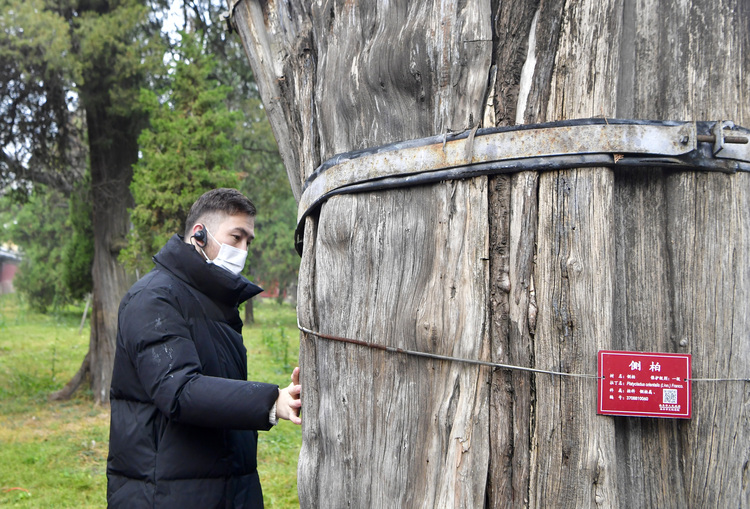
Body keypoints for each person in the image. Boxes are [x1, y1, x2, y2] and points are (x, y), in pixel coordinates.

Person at [106, 188, 301, 508]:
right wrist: (270, 400)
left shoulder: (215, 305)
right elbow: (179, 390)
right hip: (168, 494)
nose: (242, 250)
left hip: (223, 487)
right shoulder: (154, 298)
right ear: (199, 234)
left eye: (248, 242)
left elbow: (219, 396)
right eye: (236, 237)